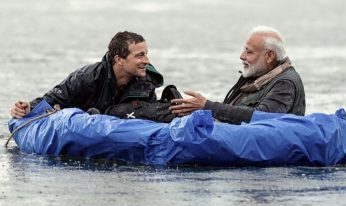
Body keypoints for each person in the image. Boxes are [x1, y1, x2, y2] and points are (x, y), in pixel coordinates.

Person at [11, 31, 176, 122]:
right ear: (119, 59)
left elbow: (146, 116)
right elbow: (51, 100)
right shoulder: (86, 78)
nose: (146, 61)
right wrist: (28, 108)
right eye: (140, 56)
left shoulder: (145, 83)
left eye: (146, 54)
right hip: (83, 132)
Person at [170, 25, 306, 124]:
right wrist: (196, 109)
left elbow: (262, 117)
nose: (242, 56)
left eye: (249, 52)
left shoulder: (285, 83)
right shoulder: (255, 75)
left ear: (270, 56)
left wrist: (207, 106)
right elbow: (229, 113)